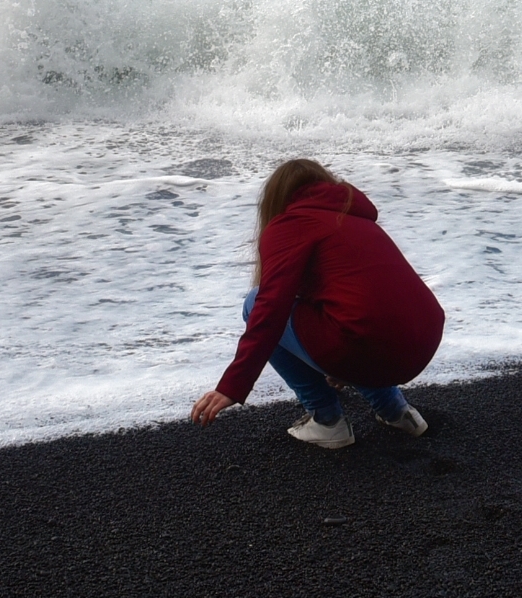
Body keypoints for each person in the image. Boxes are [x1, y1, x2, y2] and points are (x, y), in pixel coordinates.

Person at [189, 158, 443, 448]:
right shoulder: (356, 220)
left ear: (276, 198)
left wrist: (232, 386)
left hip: (368, 345)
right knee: (359, 322)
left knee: (254, 302)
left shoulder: (292, 224)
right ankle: (397, 411)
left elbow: (269, 309)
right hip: (422, 342)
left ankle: (328, 421)